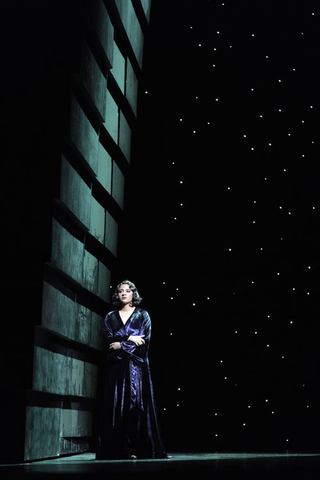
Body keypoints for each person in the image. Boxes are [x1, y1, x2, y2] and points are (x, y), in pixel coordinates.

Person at [97, 280, 168, 459]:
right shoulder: (110, 317)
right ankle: (119, 448)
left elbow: (143, 342)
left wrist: (121, 344)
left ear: (133, 294)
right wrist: (128, 338)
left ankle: (137, 447)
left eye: (127, 291)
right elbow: (109, 340)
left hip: (136, 366)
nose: (124, 293)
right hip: (117, 368)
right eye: (120, 291)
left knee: (135, 405)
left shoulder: (143, 315)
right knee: (117, 406)